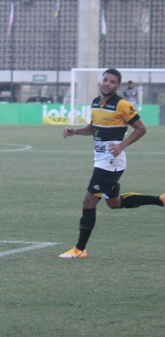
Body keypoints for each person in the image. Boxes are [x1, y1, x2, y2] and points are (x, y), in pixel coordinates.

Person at [59, 68, 164, 259]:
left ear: (118, 85)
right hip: (101, 160)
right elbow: (93, 128)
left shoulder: (122, 105)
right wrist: (75, 131)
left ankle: (79, 249)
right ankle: (160, 200)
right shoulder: (95, 103)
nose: (107, 83)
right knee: (114, 203)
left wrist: (122, 146)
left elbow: (141, 128)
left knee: (88, 200)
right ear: (101, 81)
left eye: (112, 81)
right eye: (105, 80)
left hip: (110, 162)